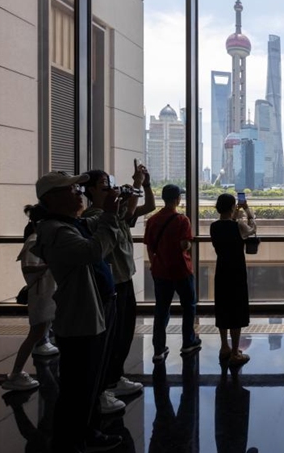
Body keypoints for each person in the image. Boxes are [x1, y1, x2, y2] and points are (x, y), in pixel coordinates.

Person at [31, 171, 123, 453]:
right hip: (80, 319)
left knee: (90, 382)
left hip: (93, 311)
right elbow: (94, 250)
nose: (79, 192)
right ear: (52, 199)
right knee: (77, 388)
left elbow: (97, 222)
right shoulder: (57, 232)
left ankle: (88, 432)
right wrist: (109, 214)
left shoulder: (72, 224)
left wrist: (115, 207)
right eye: (71, 189)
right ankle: (70, 444)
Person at [81, 161, 155, 410]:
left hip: (123, 280)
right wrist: (135, 186)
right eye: (103, 186)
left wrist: (140, 183)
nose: (109, 189)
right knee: (110, 337)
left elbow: (137, 208)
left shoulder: (115, 213)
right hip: (110, 284)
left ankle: (113, 379)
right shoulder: (94, 217)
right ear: (89, 190)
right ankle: (102, 389)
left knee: (123, 333)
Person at [2, 204, 59, 392]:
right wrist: (50, 263)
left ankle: (16, 373)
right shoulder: (34, 241)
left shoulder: (37, 240)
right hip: (41, 295)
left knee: (38, 332)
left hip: (45, 294)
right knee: (35, 334)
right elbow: (28, 267)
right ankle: (15, 374)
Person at [145, 184, 200, 362]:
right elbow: (184, 245)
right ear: (177, 199)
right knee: (189, 306)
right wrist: (187, 245)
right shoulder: (182, 220)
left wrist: (154, 265)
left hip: (161, 271)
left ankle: (158, 349)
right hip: (181, 270)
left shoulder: (152, 220)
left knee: (161, 309)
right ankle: (188, 342)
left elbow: (150, 247)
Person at [210, 193, 256, 366]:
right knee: (236, 308)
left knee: (223, 307)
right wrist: (247, 210)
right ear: (232, 208)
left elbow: (229, 224)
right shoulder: (239, 226)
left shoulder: (214, 227)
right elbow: (252, 229)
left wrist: (235, 210)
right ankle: (235, 352)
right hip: (236, 271)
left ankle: (224, 347)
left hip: (221, 269)